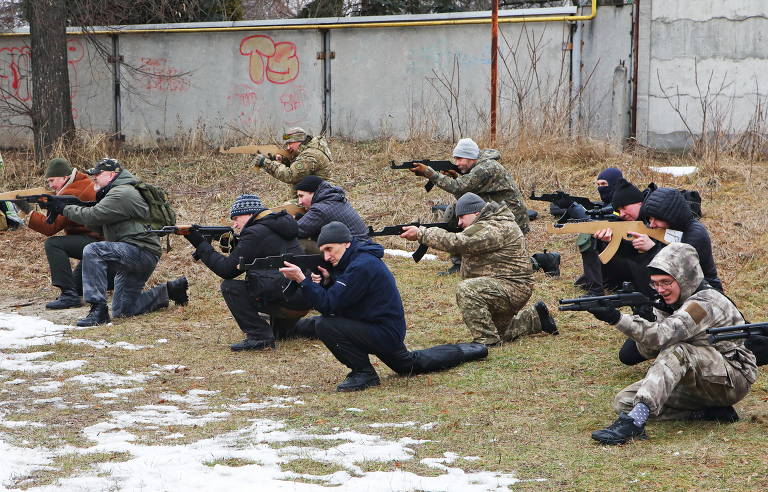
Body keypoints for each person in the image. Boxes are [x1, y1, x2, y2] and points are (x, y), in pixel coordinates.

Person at [279, 221, 489, 392]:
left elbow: (329, 305)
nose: (326, 257)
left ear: (346, 244)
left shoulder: (361, 265)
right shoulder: (354, 261)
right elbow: (345, 299)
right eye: (323, 251)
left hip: (383, 331)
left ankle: (364, 373)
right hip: (379, 327)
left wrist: (302, 280)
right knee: (407, 365)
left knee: (325, 324)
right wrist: (327, 282)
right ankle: (467, 351)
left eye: (329, 249)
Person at [589, 243, 757, 445]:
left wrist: (617, 318)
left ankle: (634, 423)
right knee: (624, 402)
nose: (660, 289)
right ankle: (707, 413)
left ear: (684, 277)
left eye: (666, 282)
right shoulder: (670, 303)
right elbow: (650, 349)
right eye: (655, 283)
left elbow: (664, 336)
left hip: (732, 379)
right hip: (701, 381)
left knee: (677, 350)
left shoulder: (704, 304)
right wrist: (646, 318)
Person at [400, 192, 558, 346]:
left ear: (476, 213)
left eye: (462, 217)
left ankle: (488, 342)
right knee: (501, 331)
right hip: (503, 285)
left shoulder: (493, 227)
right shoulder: (490, 223)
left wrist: (421, 233)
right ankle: (535, 317)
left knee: (467, 289)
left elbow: (459, 242)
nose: (459, 223)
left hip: (511, 288)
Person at [57, 158, 188, 327]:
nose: (94, 177)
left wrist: (64, 208)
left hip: (139, 251)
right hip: (138, 253)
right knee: (124, 309)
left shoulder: (122, 193)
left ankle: (98, 310)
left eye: (98, 174)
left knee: (94, 250)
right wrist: (69, 207)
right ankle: (170, 290)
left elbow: (93, 215)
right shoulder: (118, 191)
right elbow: (99, 225)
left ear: (112, 174)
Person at [184, 194, 311, 351]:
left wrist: (200, 244)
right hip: (301, 298)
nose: (235, 225)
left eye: (236, 218)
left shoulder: (255, 232)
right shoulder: (277, 226)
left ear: (250, 214)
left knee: (230, 287)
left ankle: (260, 337)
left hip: (287, 298)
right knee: (282, 333)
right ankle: (301, 327)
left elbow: (226, 270)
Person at [410, 137, 529, 275]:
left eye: (460, 159)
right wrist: (455, 177)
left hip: (511, 219)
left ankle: (462, 258)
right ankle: (459, 262)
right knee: (456, 209)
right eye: (455, 159)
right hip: (496, 211)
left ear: (471, 157)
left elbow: (459, 187)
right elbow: (466, 196)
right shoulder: (480, 166)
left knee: (497, 261)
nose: (457, 163)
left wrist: (430, 173)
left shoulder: (486, 167)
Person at [21, 158, 103, 309]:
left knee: (53, 244)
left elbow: (50, 228)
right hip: (98, 242)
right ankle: (73, 293)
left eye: (52, 180)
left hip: (97, 243)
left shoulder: (72, 192)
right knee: (77, 288)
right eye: (48, 182)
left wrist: (27, 209)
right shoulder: (82, 183)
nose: (50, 185)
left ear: (65, 177)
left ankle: (68, 295)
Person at [293, 175, 368, 253]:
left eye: (301, 196)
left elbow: (294, 231)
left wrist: (287, 220)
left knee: (296, 244)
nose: (299, 202)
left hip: (353, 252)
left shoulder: (321, 209)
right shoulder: (332, 197)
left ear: (313, 192)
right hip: (361, 246)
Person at [252, 127, 332, 193]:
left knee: (286, 208)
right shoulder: (309, 148)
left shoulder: (310, 155)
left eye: (290, 143)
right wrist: (280, 159)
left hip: (320, 196)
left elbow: (290, 175)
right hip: (316, 193)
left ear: (299, 141)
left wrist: (265, 162)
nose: (288, 147)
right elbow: (297, 161)